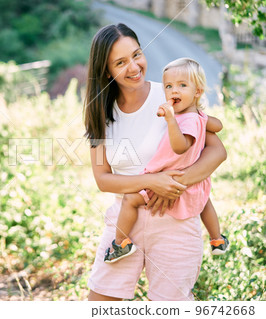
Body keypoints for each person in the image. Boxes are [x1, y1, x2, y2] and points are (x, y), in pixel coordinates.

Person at [84, 24, 227, 301]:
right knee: (99, 304)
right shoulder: (100, 112)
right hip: (125, 220)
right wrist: (151, 182)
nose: (134, 66)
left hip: (175, 218)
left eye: (137, 54)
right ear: (106, 70)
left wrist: (174, 183)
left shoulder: (173, 94)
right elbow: (103, 179)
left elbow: (217, 151)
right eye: (120, 62)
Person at [103, 58, 229, 264]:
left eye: (182, 85)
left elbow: (180, 146)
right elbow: (218, 125)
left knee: (130, 199)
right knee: (204, 201)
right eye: (169, 86)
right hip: (190, 179)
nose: (173, 91)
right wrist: (203, 117)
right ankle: (217, 239)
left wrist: (171, 120)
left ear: (197, 91)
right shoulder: (197, 116)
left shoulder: (184, 119)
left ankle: (120, 243)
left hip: (167, 176)